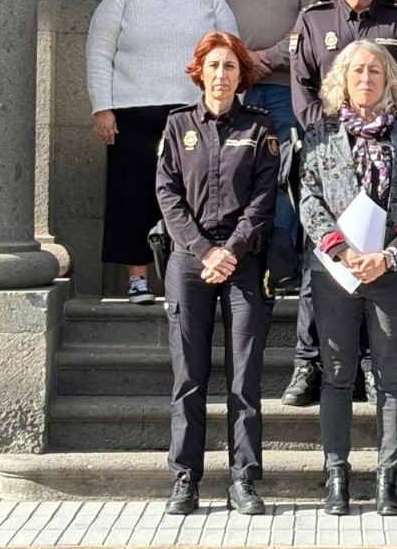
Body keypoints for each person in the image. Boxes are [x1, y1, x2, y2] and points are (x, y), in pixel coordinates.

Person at [283, 0, 397, 407]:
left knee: (374, 262)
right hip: (329, 158)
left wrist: (389, 139)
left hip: (385, 158)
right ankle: (308, 362)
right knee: (321, 262)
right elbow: (302, 87)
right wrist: (329, 143)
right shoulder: (314, 19)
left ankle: (368, 365)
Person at [299, 40, 397, 516]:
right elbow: (309, 200)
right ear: (343, 80)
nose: (367, 79)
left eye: (376, 71)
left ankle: (386, 480)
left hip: (394, 273)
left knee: (392, 377)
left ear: (389, 80)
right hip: (336, 273)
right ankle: (337, 476)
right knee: (336, 376)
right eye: (358, 71)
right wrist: (343, 251)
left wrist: (389, 255)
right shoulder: (319, 135)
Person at [155, 31, 279, 516]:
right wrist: (205, 251)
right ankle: (185, 478)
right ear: (199, 72)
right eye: (214, 66)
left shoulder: (260, 127)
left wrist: (231, 250)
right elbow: (168, 196)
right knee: (189, 377)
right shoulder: (177, 125)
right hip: (190, 262)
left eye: (230, 67)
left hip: (244, 263)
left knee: (244, 379)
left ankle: (243, 480)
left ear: (241, 74)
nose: (222, 75)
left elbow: (265, 197)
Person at [86, 0, 238, 304]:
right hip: (132, 115)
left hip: (193, 115)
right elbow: (99, 53)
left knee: (192, 198)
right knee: (132, 196)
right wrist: (102, 107)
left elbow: (229, 53)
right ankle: (137, 279)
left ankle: (182, 278)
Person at [200, 0, 324, 290]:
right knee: (231, 175)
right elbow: (206, 22)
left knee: (288, 175)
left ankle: (282, 265)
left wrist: (266, 55)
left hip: (286, 91)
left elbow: (310, 26)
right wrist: (240, 58)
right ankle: (233, 260)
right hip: (228, 91)